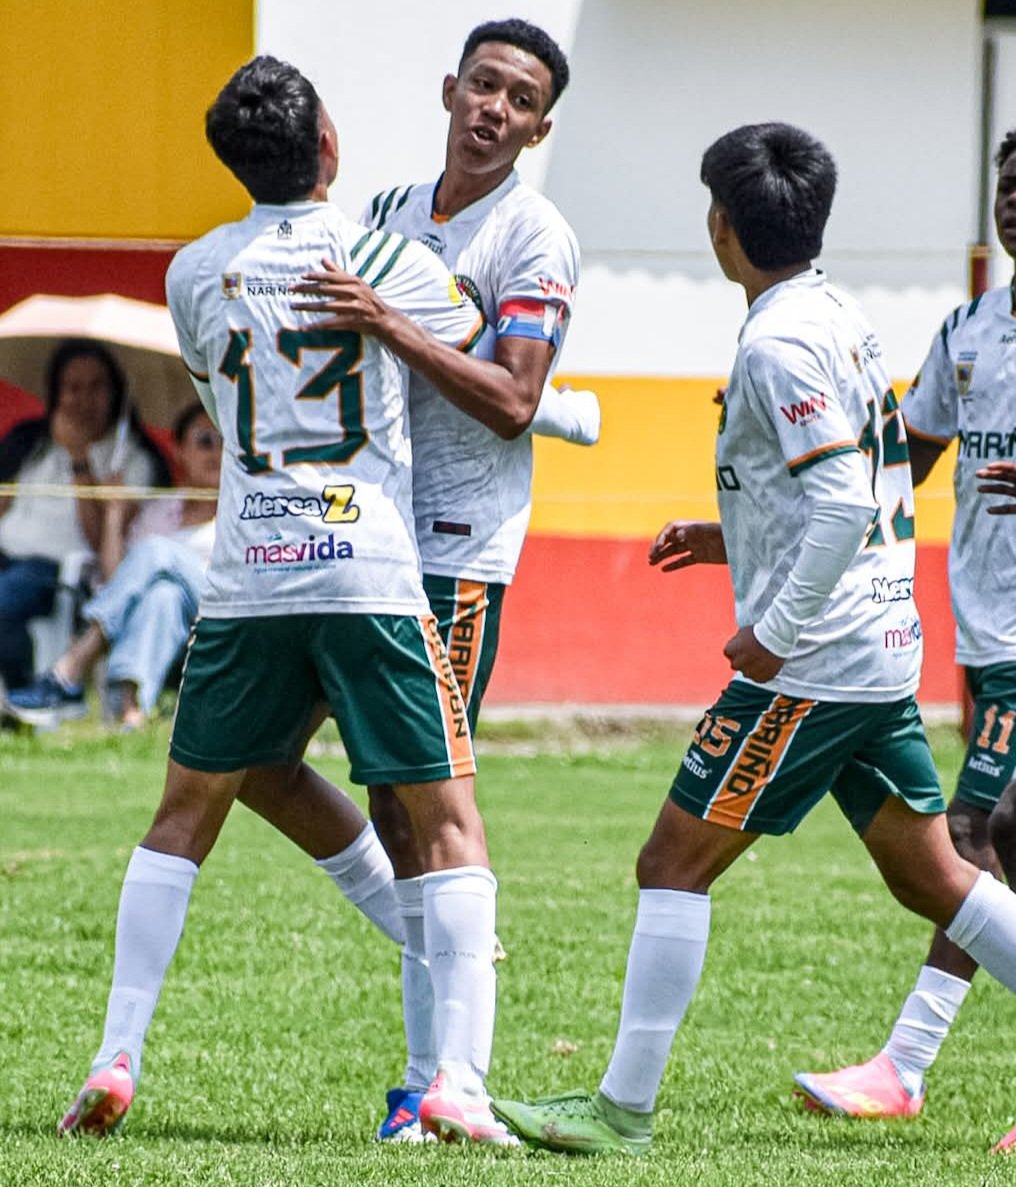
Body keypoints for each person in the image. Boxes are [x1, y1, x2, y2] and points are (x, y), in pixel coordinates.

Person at [489, 122, 1016, 1156]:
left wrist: (768, 632)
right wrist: (727, 535)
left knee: (670, 860)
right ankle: (628, 1106)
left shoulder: (775, 341)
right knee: (937, 880)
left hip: (813, 662)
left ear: (719, 227)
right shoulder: (838, 315)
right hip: (876, 647)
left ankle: (619, 1109)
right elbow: (858, 486)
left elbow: (831, 505)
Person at [57, 55, 518, 1147]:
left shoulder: (191, 271)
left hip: (248, 573)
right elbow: (463, 338)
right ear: (328, 148)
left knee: (184, 814)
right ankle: (457, 1077)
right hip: (367, 569)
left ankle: (116, 1050)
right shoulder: (382, 256)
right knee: (449, 822)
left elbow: (220, 386)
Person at [271, 17, 595, 1143]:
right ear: (448, 88)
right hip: (357, 533)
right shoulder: (385, 216)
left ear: (539, 126)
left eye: (520, 98)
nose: (493, 108)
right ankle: (439, 1001)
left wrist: (392, 325)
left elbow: (511, 398)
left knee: (424, 803)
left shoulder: (534, 236)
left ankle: (442, 1075)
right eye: (484, 85)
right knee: (304, 774)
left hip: (453, 550)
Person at [790, 130, 1016, 1144]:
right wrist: (795, 429)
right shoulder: (968, 327)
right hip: (984, 627)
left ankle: (901, 1064)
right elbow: (904, 455)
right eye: (1006, 185)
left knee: (975, 836)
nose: (1014, 202)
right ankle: (900, 1066)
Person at [5, 403, 220, 730]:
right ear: (179, 450)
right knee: (163, 595)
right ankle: (131, 715)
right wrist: (115, 516)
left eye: (225, 441)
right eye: (205, 440)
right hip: (169, 619)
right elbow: (117, 579)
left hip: (219, 611)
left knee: (157, 551)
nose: (216, 451)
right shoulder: (160, 511)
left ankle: (72, 666)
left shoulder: (242, 510)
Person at [0, 339, 170, 692]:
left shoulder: (133, 459)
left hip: (60, 570)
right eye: (72, 388)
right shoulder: (28, 439)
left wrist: (80, 460)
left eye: (96, 388)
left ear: (116, 393)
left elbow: (102, 542)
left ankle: (20, 692)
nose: (83, 400)